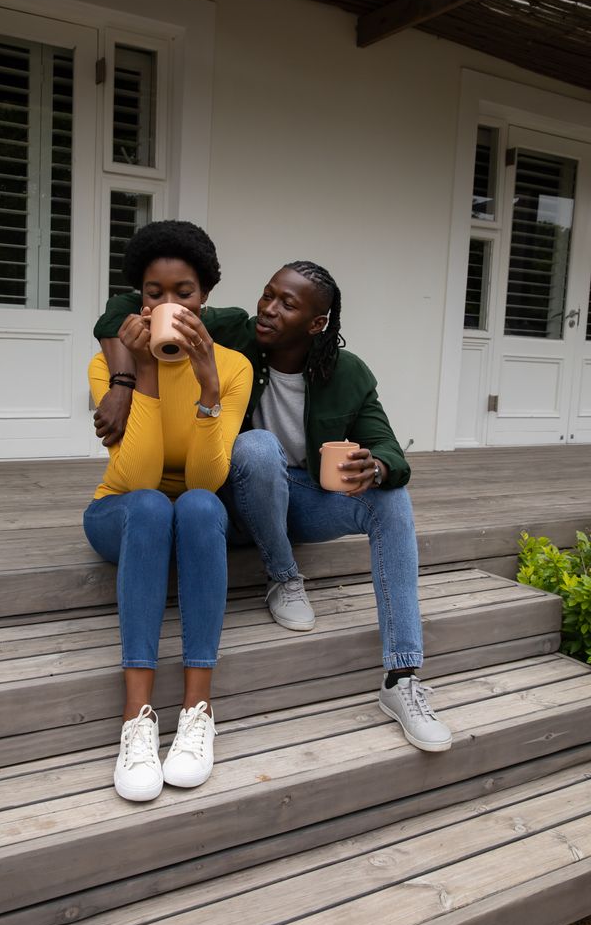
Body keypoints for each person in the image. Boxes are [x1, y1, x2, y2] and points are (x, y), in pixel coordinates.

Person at [94, 260, 452, 754]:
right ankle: (284, 576)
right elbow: (129, 305)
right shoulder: (237, 332)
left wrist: (379, 468)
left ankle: (403, 677)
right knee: (258, 446)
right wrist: (120, 380)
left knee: (391, 499)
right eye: (268, 295)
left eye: (287, 304)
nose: (268, 309)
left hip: (297, 502)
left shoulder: (348, 374)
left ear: (316, 322)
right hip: (227, 498)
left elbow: (390, 450)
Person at [84, 220, 252, 801]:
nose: (169, 304)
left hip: (194, 515)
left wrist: (207, 388)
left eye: (184, 292)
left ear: (204, 296)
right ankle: (137, 718)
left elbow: (209, 477)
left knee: (203, 504)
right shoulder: (111, 367)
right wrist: (146, 373)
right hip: (124, 511)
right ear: (139, 297)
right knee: (155, 504)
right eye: (155, 293)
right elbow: (134, 478)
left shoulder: (232, 367)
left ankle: (199, 709)